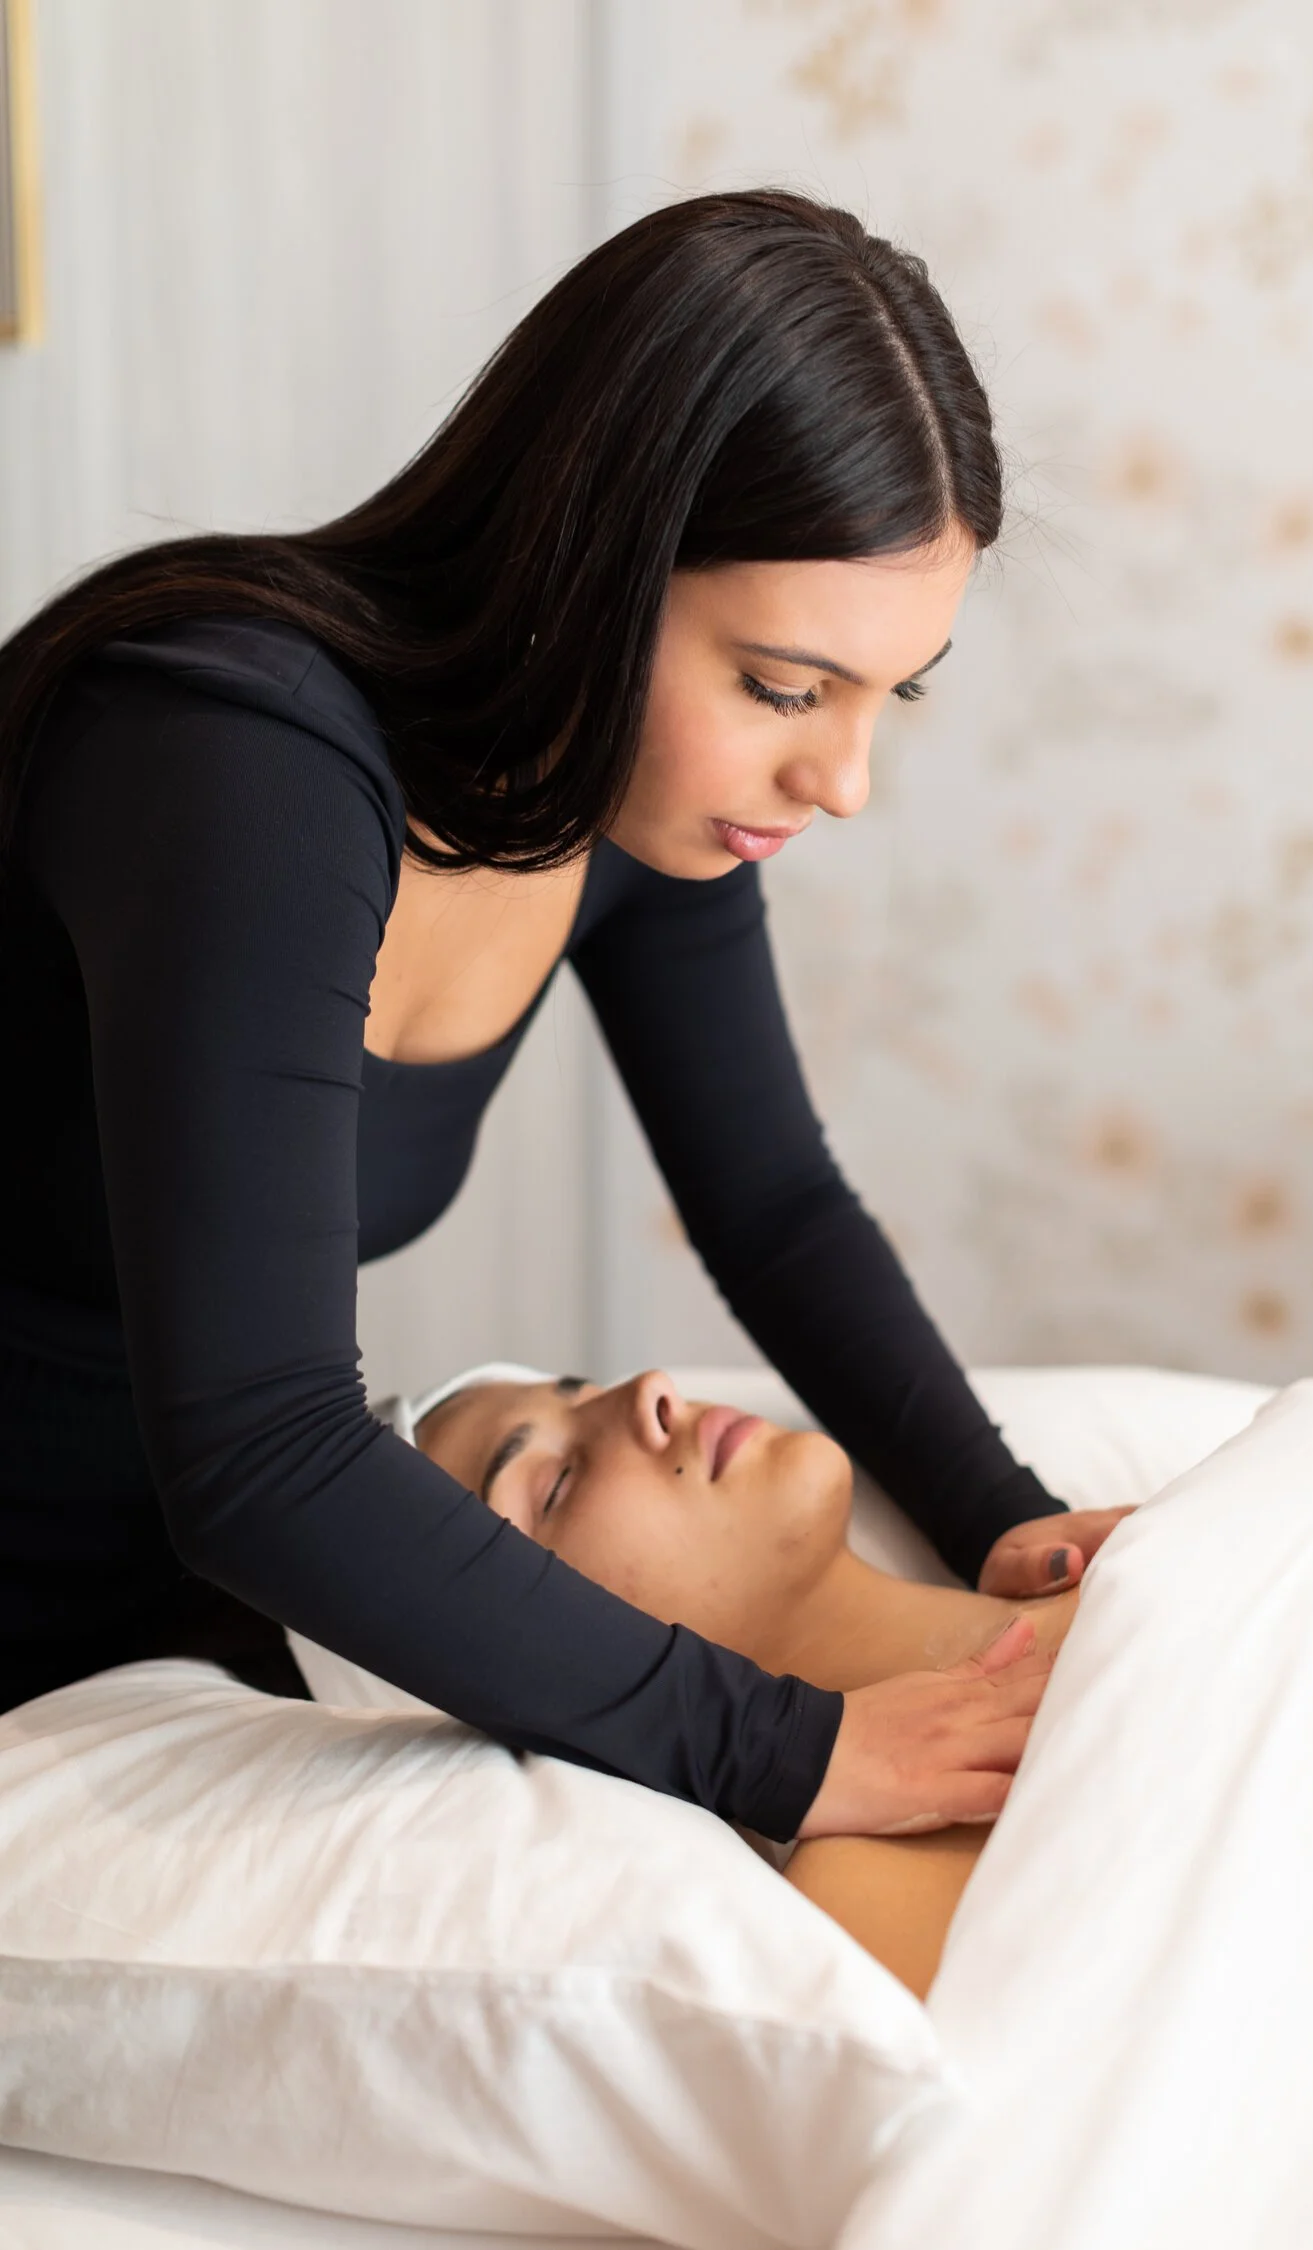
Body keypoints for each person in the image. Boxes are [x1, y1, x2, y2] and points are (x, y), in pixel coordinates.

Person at [0, 190, 1127, 1846]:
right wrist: (786, 1748)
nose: (843, 780)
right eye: (787, 688)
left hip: (174, 1614)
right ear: (598, 568)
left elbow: (777, 1208)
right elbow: (260, 1445)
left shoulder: (621, 799)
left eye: (895, 694)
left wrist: (1003, 1520)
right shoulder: (231, 757)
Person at [413, 1364, 1079, 1996]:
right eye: (555, 1485)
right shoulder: (859, 1938)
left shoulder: (1142, 1545)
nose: (649, 1389)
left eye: (584, 1391)